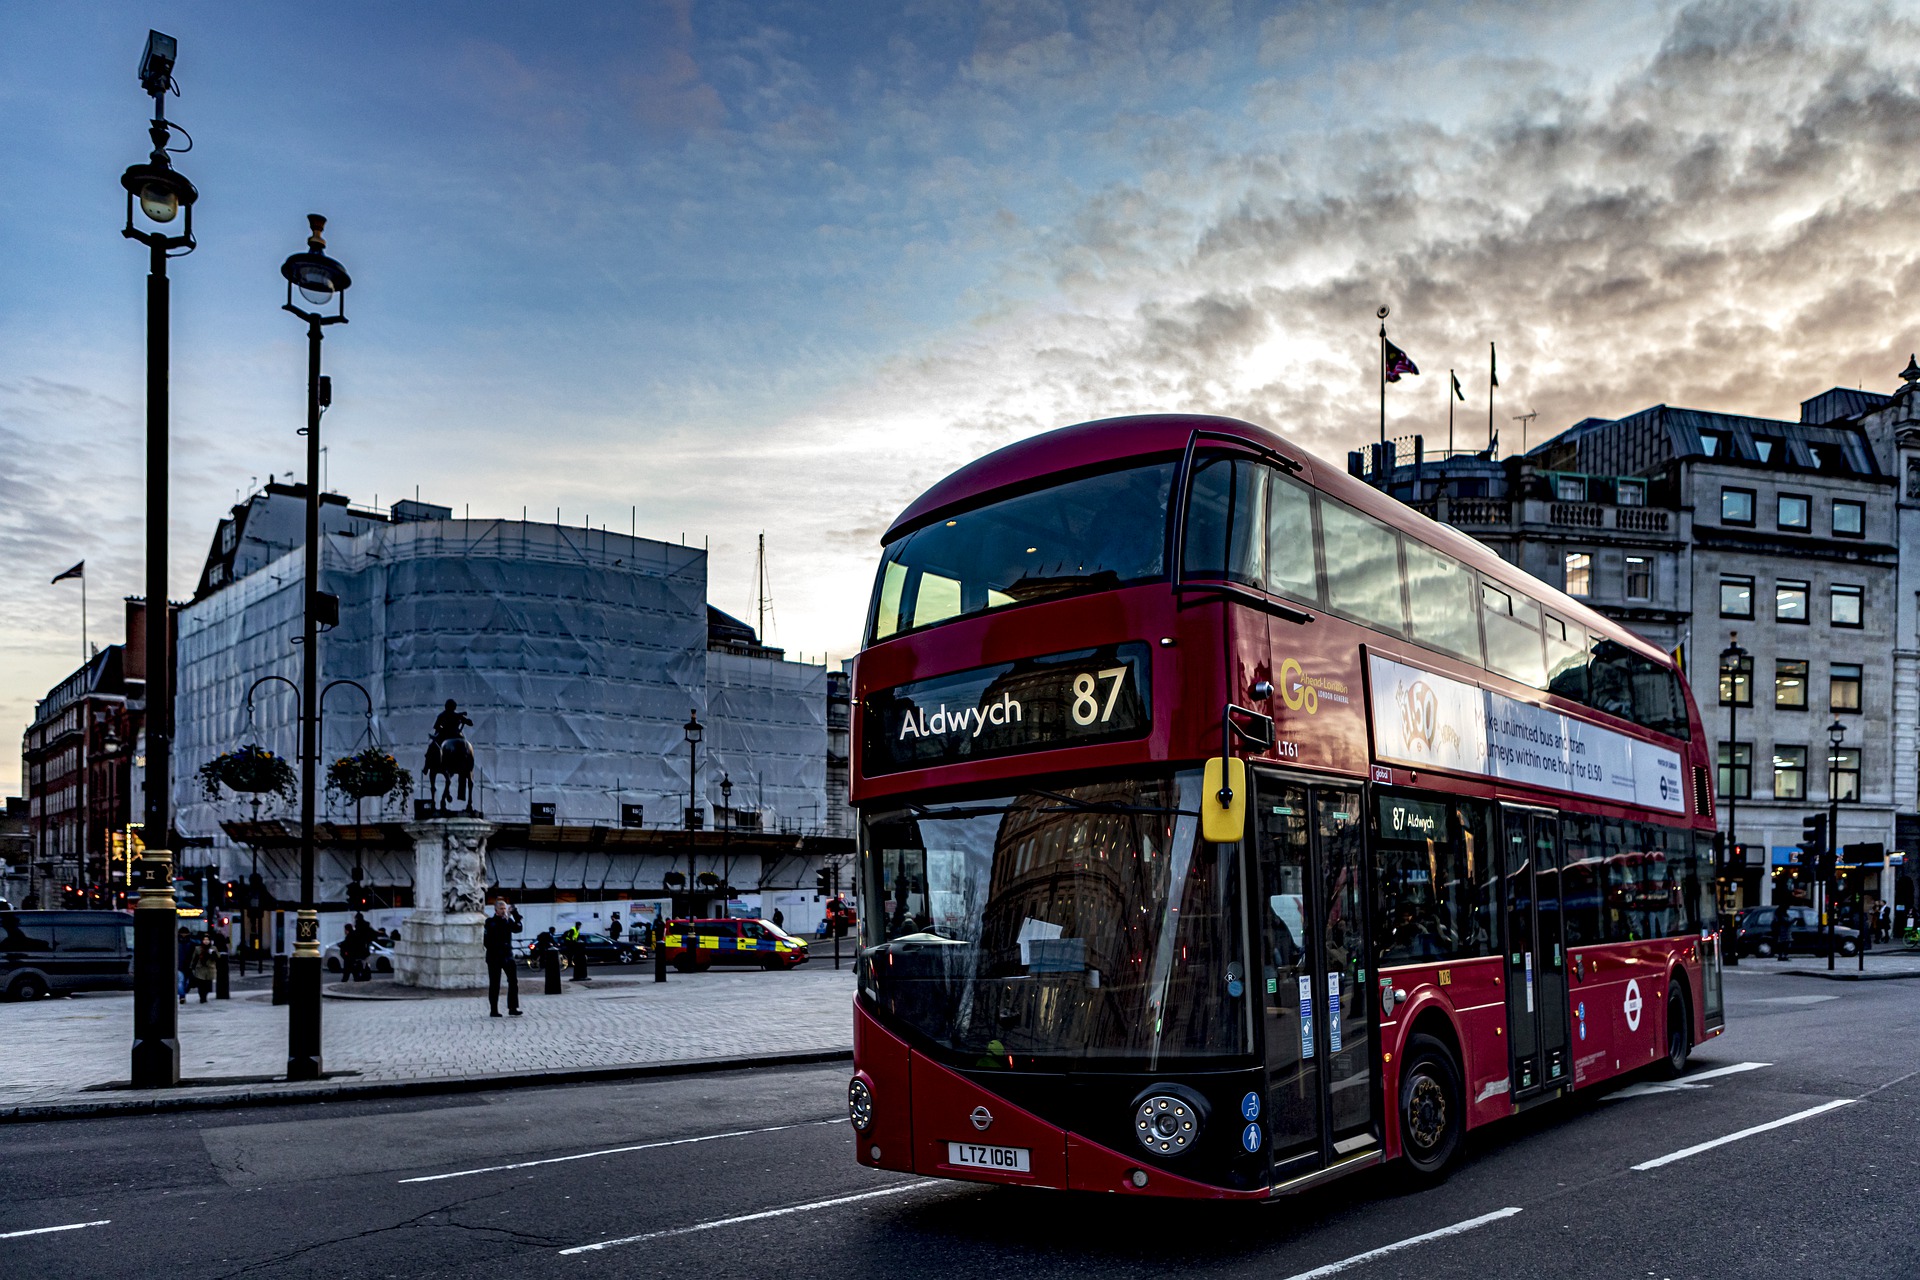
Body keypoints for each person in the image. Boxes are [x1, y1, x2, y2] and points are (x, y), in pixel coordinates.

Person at [483, 897, 523, 1017]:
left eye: (505, 908)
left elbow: (518, 928)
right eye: (501, 908)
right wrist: (506, 919)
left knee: (513, 982)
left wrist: (515, 914)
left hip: (508, 957)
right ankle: (494, 1010)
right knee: (495, 984)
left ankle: (513, 1007)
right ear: (496, 910)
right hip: (494, 958)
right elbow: (488, 941)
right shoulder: (490, 922)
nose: (503, 910)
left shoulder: (507, 921)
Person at [189, 937, 217, 1003]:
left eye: (207, 940)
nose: (206, 941)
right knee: (201, 984)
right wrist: (192, 967)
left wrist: (212, 953)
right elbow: (194, 958)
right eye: (204, 940)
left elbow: (215, 958)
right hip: (200, 969)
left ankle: (204, 996)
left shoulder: (212, 948)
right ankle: (202, 997)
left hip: (209, 969)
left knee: (207, 985)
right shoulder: (198, 948)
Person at [176, 925, 194, 1004]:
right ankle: (182, 996)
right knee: (182, 981)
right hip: (184, 966)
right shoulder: (191, 943)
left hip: (183, 966)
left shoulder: (176, 943)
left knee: (184, 982)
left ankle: (182, 995)